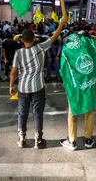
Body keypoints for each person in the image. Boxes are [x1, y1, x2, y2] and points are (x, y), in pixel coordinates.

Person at [9, 14, 67, 149]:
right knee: (37, 113)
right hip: (38, 87)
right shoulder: (40, 48)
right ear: (34, 39)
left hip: (23, 88)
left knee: (22, 113)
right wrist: (61, 23)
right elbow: (54, 37)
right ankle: (38, 140)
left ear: (23, 41)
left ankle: (22, 138)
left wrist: (11, 86)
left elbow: (13, 72)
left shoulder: (18, 53)